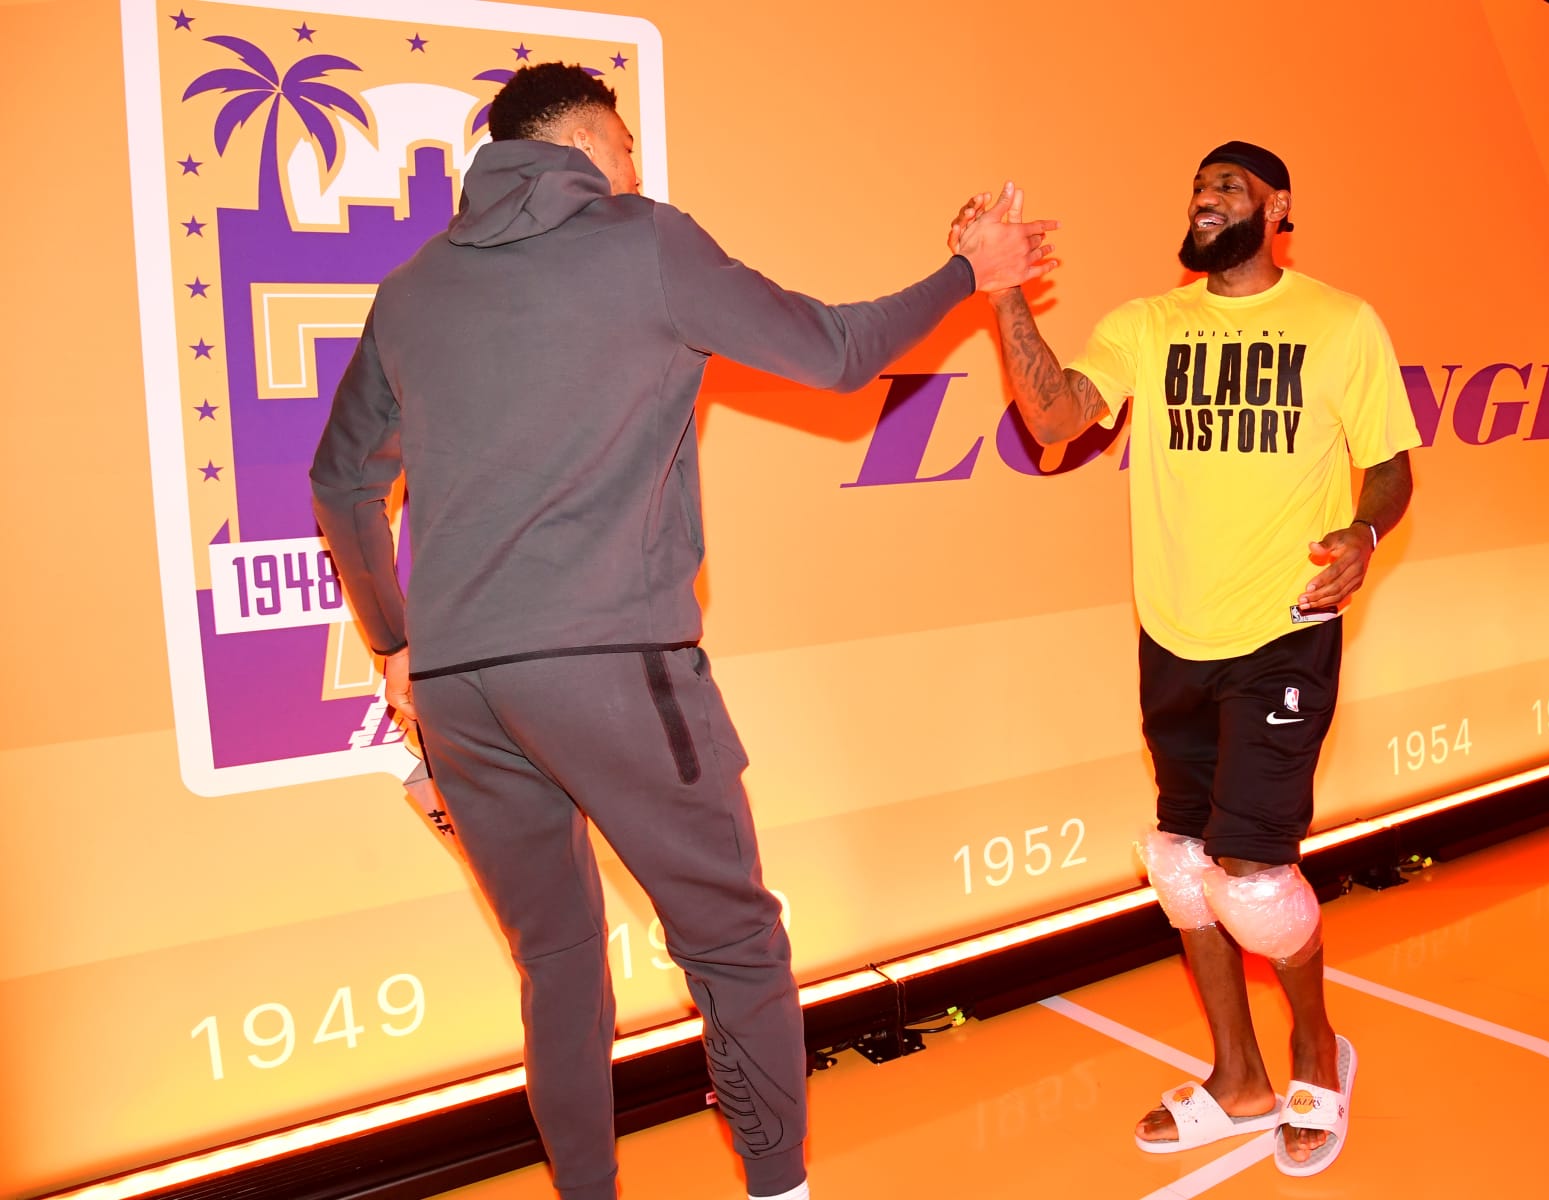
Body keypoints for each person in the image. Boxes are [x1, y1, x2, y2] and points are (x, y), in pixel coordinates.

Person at [310, 62, 1056, 1200]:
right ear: (589, 139)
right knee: (733, 943)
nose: (636, 169)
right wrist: (970, 271)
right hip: (613, 667)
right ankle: (777, 1188)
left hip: (461, 687)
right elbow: (838, 352)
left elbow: (339, 479)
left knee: (556, 965)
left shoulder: (414, 288)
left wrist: (396, 644)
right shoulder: (642, 241)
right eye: (627, 150)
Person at [956, 141, 1418, 1176]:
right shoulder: (1146, 325)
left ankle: (1315, 1055)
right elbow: (1054, 418)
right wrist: (1003, 297)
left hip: (1285, 628)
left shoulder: (1341, 324)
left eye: (1228, 186)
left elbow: (1389, 466)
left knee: (1253, 875)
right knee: (1180, 865)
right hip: (1173, 634)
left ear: (1278, 206)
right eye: (1198, 187)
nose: (1206, 200)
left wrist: (1365, 535)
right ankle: (1239, 1077)